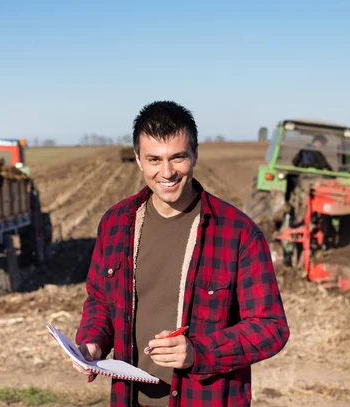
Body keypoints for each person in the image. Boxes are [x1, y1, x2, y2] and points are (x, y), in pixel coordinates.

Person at [73, 101, 290, 407]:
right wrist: (92, 343)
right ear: (138, 159)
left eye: (178, 158)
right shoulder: (115, 223)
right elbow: (100, 300)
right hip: (130, 400)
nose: (167, 172)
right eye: (154, 159)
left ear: (195, 155)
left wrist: (198, 352)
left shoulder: (238, 233)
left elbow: (271, 327)